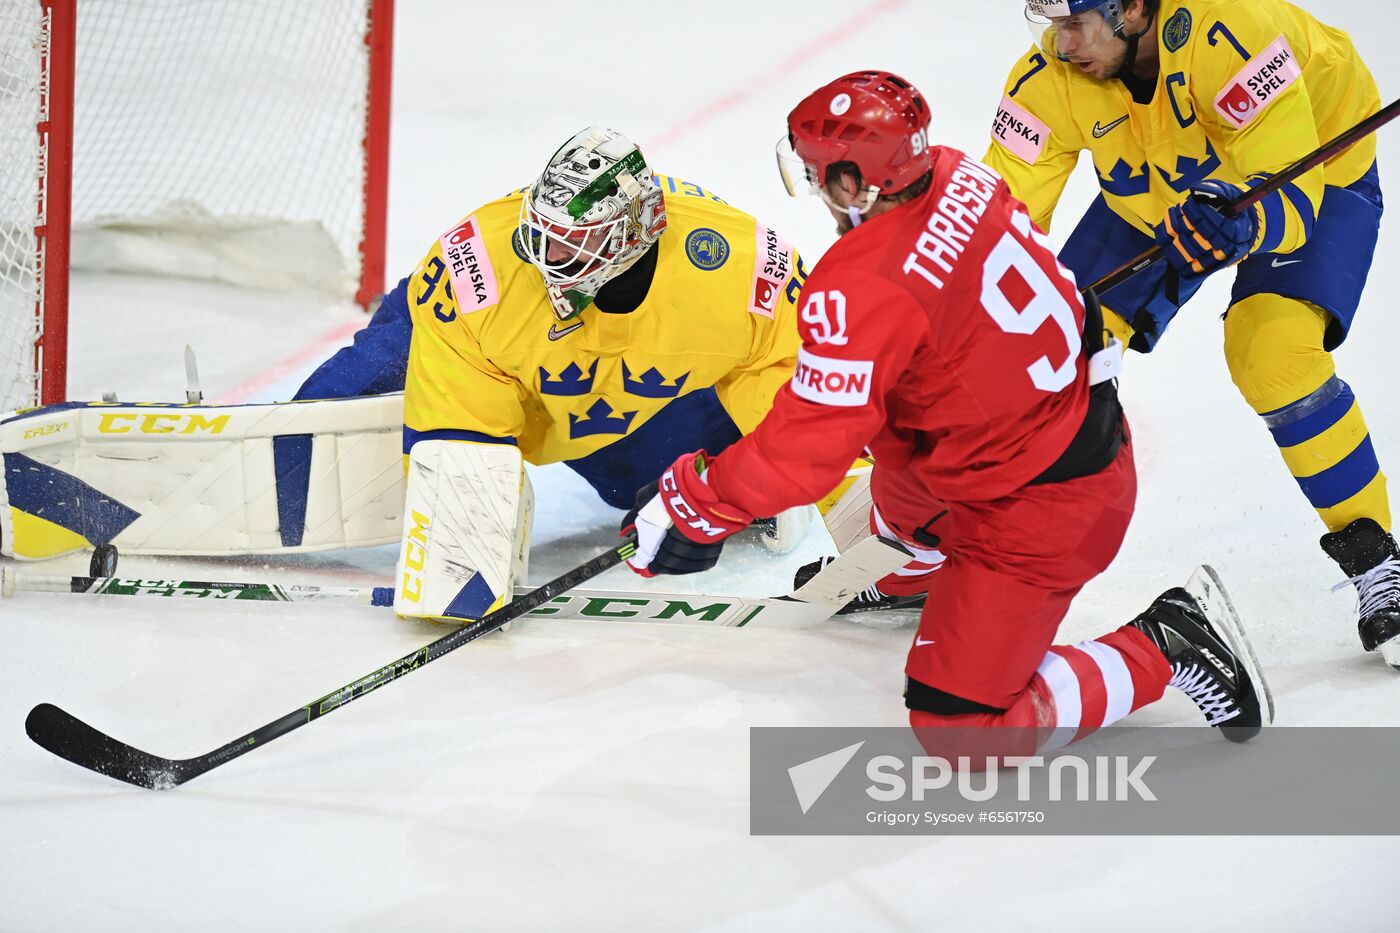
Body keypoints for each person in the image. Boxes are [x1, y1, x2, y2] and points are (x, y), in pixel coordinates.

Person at [622, 70, 1270, 749]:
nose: (813, 188)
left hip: (1040, 509)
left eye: (815, 173)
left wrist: (698, 501)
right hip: (1055, 427)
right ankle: (913, 570)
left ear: (853, 182)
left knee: (961, 731)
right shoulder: (962, 176)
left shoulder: (863, 285)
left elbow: (804, 449)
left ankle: (1167, 643)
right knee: (898, 445)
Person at [983, 0, 1400, 665]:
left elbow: (1290, 197)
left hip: (1313, 172)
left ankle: (1378, 559)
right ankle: (958, 542)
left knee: (1271, 353)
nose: (1062, 44)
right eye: (1051, 24)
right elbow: (994, 228)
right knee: (1048, 345)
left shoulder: (1232, 31)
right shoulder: (1049, 75)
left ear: (1133, 8)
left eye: (1076, 23)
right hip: (1159, 186)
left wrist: (1241, 220)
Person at [382, 126, 808, 622]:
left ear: (635, 233)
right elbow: (459, 427)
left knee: (644, 487)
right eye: (542, 232)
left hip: (630, 401)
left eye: (573, 241)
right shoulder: (476, 270)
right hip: (458, 336)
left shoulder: (746, 267)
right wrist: (460, 568)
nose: (547, 256)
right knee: (329, 415)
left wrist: (772, 489)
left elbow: (818, 393)